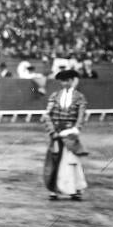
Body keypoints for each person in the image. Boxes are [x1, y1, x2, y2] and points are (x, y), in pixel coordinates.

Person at [42, 69, 88, 201]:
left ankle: (74, 190)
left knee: (71, 161)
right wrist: (53, 132)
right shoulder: (55, 96)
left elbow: (81, 116)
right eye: (62, 81)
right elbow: (47, 115)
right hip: (56, 131)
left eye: (67, 80)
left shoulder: (79, 97)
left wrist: (75, 129)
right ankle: (54, 190)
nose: (64, 83)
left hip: (70, 133)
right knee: (54, 159)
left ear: (72, 81)